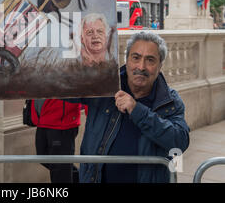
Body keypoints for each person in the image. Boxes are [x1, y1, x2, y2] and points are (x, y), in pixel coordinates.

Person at [67, 31, 190, 183]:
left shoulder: (170, 101)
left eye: (150, 60)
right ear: (127, 60)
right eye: (136, 58)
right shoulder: (104, 88)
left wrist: (137, 110)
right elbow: (62, 90)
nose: (141, 66)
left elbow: (179, 143)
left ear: (160, 66)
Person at [31, 99, 81, 183]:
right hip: (43, 119)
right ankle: (80, 178)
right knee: (44, 158)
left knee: (60, 169)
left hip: (61, 123)